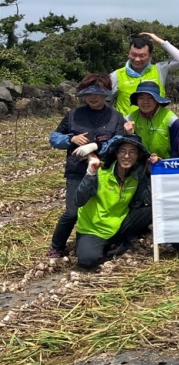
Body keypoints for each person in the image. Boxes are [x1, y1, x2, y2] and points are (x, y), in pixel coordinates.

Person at [48, 74, 126, 258]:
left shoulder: (115, 117)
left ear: (106, 94)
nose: (93, 97)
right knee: (72, 212)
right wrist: (71, 139)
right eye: (89, 93)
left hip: (104, 171)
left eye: (98, 93)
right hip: (77, 171)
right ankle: (56, 246)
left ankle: (91, 242)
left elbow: (119, 141)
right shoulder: (73, 115)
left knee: (99, 210)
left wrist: (97, 146)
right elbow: (53, 138)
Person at [74, 134, 153, 269]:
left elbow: (148, 199)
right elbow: (79, 200)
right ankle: (113, 245)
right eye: (122, 151)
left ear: (139, 156)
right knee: (88, 261)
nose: (126, 156)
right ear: (116, 153)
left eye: (132, 152)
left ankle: (119, 241)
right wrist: (90, 174)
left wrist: (151, 173)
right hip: (94, 228)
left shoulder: (137, 176)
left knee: (153, 209)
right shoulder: (101, 172)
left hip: (119, 223)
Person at [110, 32, 179, 116]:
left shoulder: (160, 70)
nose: (137, 59)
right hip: (127, 127)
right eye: (133, 54)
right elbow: (105, 100)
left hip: (157, 126)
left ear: (150, 56)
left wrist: (159, 41)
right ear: (128, 54)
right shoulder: (116, 75)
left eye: (142, 55)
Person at [123, 80, 179, 162]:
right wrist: (130, 135)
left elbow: (177, 149)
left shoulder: (171, 120)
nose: (145, 102)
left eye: (150, 98)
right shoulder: (129, 119)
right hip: (140, 165)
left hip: (166, 166)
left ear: (157, 100)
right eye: (141, 98)